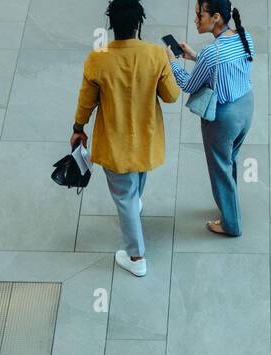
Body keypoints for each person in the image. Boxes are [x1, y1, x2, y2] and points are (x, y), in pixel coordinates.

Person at [72, 0, 181, 278]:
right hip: (147, 137)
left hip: (114, 142)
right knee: (138, 177)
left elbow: (87, 101)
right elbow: (171, 96)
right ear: (138, 24)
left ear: (112, 26)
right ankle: (136, 206)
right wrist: (171, 64)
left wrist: (78, 127)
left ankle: (136, 257)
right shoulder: (156, 55)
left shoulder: (98, 59)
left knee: (124, 197)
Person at [170, 1, 255, 237]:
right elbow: (226, 66)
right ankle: (231, 206)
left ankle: (231, 224)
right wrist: (196, 57)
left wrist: (173, 64)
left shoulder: (210, 53)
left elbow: (188, 85)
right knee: (230, 160)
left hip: (223, 117)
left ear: (216, 17)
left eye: (200, 14)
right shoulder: (244, 36)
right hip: (246, 108)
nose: (196, 19)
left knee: (219, 168)